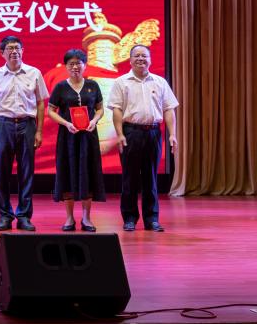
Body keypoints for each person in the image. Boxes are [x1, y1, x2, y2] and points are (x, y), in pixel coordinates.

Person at [108, 44, 179, 232]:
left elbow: (169, 109)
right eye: (137, 56)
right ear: (130, 60)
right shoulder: (121, 82)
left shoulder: (160, 82)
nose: (141, 59)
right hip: (131, 132)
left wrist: (172, 134)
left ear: (150, 60)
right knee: (129, 178)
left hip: (153, 133)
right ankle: (129, 218)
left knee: (151, 178)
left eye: (144, 56)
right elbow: (117, 110)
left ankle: (152, 219)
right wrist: (120, 134)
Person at [0, 35, 48, 232]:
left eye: (17, 48)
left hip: (27, 124)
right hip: (3, 125)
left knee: (26, 172)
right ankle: (5, 215)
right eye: (10, 48)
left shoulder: (34, 73)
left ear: (22, 51)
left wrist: (39, 131)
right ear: (2, 53)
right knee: (2, 172)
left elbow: (40, 103)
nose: (14, 51)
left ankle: (24, 216)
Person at [46, 49, 105, 232]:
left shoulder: (93, 85)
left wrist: (94, 121)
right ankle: (69, 218)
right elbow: (50, 111)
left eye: (78, 63)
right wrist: (66, 123)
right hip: (68, 137)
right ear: (66, 66)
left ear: (85, 65)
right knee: (67, 173)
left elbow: (100, 108)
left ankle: (87, 218)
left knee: (88, 173)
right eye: (71, 64)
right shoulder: (60, 87)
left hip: (88, 136)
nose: (75, 67)